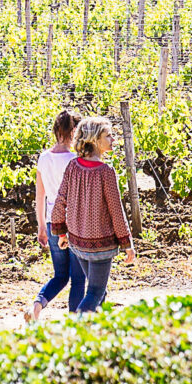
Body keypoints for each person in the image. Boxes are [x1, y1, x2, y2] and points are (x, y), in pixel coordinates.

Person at [48, 115, 131, 313]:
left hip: (78, 242)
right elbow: (116, 212)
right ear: (94, 139)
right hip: (101, 244)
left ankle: (96, 335)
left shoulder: (72, 167)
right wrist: (127, 244)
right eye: (108, 136)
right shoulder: (106, 172)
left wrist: (61, 233)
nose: (113, 140)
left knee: (99, 294)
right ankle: (76, 329)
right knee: (95, 291)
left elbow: (60, 201)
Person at [25, 109, 85, 324]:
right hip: (74, 223)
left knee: (60, 276)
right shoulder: (75, 160)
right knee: (79, 278)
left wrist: (41, 226)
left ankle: (36, 307)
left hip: (52, 222)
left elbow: (40, 195)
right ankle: (74, 322)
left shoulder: (44, 158)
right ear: (73, 132)